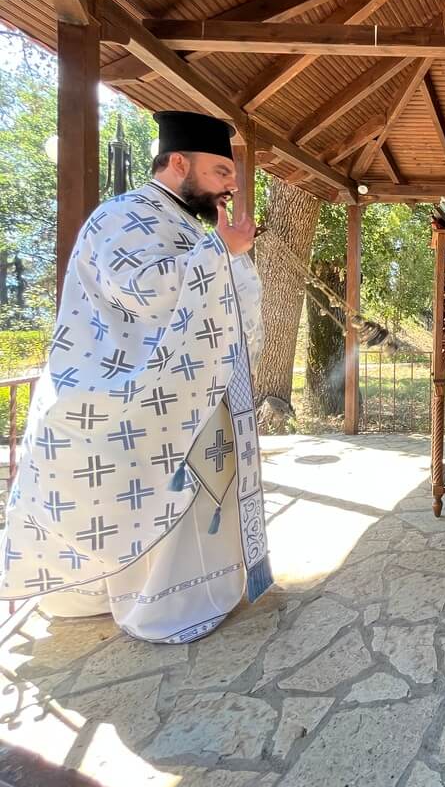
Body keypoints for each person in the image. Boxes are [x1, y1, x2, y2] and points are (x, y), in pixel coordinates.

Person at [0, 110, 271, 644]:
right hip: (117, 397)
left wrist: (223, 253)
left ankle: (184, 595)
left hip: (174, 395)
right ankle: (141, 603)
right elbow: (142, 292)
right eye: (221, 172)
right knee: (129, 502)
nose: (230, 187)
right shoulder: (124, 215)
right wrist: (222, 251)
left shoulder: (178, 222)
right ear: (178, 163)